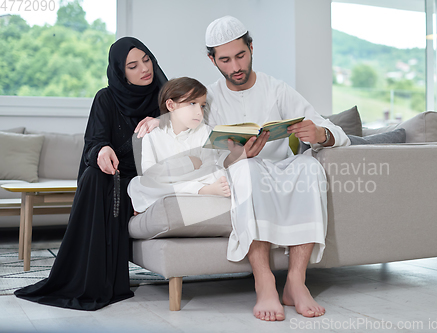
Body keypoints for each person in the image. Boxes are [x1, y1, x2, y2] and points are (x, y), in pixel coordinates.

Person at [204, 16, 351, 321]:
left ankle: (296, 282)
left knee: (310, 167)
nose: (235, 67)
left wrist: (320, 134)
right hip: (243, 172)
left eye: (241, 55)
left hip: (282, 170)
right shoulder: (209, 99)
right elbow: (203, 158)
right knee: (247, 169)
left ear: (252, 47)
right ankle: (265, 281)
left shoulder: (277, 89)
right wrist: (239, 157)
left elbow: (334, 130)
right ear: (212, 60)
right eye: (226, 60)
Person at [14, 37, 167, 311]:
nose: (144, 68)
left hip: (148, 180)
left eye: (147, 60)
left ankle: (104, 279)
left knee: (108, 183)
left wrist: (162, 120)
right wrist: (102, 150)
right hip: (114, 175)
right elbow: (94, 142)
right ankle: (88, 279)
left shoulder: (165, 99)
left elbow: (194, 118)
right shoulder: (106, 98)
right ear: (121, 72)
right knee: (95, 177)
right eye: (133, 65)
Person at [128, 77, 230, 214]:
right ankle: (199, 191)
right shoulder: (152, 135)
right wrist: (189, 162)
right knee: (136, 184)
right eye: (192, 103)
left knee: (218, 173)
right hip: (173, 183)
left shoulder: (205, 131)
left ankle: (185, 192)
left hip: (188, 180)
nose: (199, 112)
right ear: (171, 105)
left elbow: (209, 166)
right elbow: (150, 173)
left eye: (202, 106)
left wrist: (172, 174)